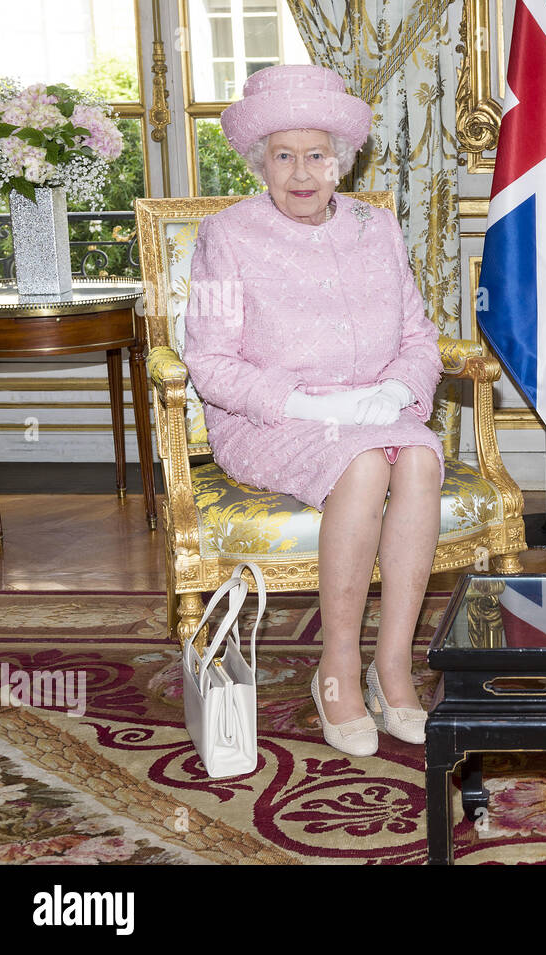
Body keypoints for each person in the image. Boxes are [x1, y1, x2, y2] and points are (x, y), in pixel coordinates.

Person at [185, 65, 445, 758]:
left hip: (372, 410)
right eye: (283, 154)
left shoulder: (376, 226)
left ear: (342, 159)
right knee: (363, 465)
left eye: (317, 154)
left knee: (419, 454)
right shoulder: (226, 236)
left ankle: (392, 664)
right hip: (273, 420)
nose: (301, 172)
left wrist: (393, 392)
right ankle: (336, 665)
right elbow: (209, 364)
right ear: (258, 160)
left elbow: (418, 339)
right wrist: (301, 400)